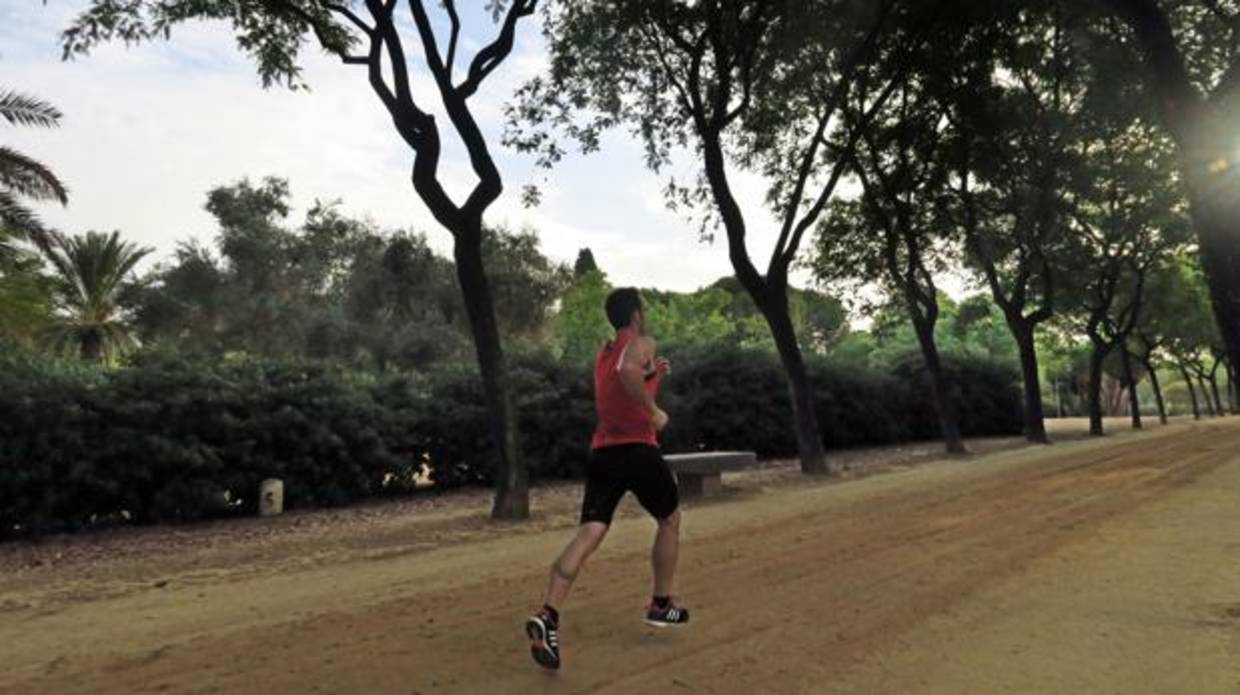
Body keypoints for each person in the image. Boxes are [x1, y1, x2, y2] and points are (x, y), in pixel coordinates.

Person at [524, 287, 689, 671]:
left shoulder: (604, 353)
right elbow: (629, 372)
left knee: (591, 531)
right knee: (670, 519)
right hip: (638, 450)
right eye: (643, 310)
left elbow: (621, 382)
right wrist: (654, 410)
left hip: (604, 453)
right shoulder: (641, 341)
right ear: (635, 315)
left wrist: (652, 376)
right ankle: (661, 604)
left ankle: (548, 615)